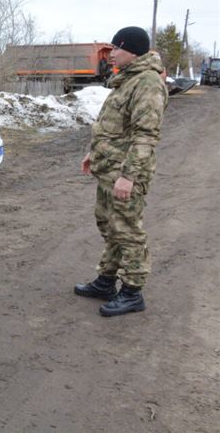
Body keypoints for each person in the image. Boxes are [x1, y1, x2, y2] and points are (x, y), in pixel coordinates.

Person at [75, 26, 168, 317]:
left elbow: (145, 136)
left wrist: (129, 176)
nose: (112, 52)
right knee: (108, 224)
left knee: (127, 230)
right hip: (109, 168)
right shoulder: (126, 80)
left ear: (132, 51)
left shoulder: (148, 83)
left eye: (116, 47)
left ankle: (132, 291)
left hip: (125, 172)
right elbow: (113, 125)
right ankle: (106, 280)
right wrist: (94, 153)